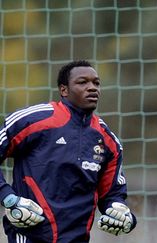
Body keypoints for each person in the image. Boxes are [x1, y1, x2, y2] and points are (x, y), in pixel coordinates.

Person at [0, 60, 137, 242]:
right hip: (29, 235)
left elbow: (112, 195)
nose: (92, 88)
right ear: (64, 90)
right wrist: (8, 198)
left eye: (96, 83)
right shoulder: (33, 120)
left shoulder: (108, 141)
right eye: (83, 82)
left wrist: (122, 214)